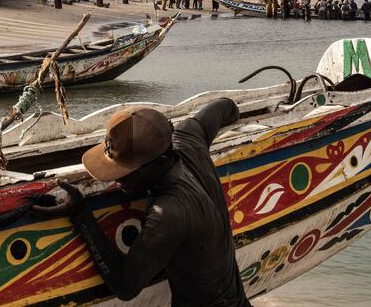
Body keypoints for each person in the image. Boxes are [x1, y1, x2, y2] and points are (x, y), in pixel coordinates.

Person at [32, 100, 251, 306]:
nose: (117, 180)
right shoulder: (188, 140)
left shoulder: (169, 213)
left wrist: (80, 213)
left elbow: (125, 287)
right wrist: (235, 111)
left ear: (161, 163)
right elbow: (221, 108)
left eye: (126, 174)